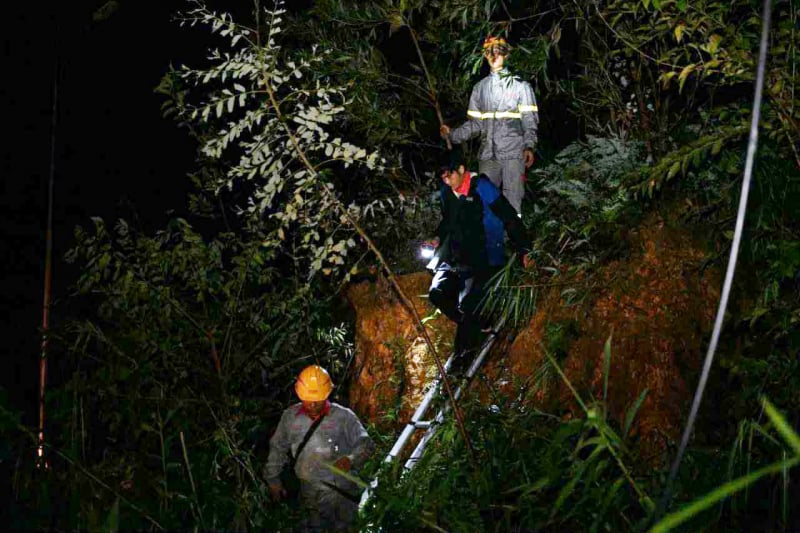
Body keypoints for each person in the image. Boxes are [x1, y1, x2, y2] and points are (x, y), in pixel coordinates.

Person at [426, 150, 531, 372]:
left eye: (449, 176)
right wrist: (436, 237)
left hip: (484, 258)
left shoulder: (482, 187)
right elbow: (447, 222)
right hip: (455, 259)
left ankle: (458, 367)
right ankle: (475, 324)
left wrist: (524, 248)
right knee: (437, 293)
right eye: (443, 178)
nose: (446, 181)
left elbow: (508, 216)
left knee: (469, 304)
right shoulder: (448, 194)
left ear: (462, 170)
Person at [266, 365, 374, 532]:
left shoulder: (344, 417)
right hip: (309, 494)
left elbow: (366, 444)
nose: (314, 405)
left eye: (318, 400)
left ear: (328, 393)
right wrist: (273, 480)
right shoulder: (290, 417)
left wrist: (351, 460)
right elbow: (277, 448)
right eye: (309, 400)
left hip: (342, 495)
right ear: (299, 393)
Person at [440, 35, 539, 214]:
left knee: (512, 201)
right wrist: (452, 134)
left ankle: (514, 240)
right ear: (485, 56)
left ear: (506, 54)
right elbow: (475, 125)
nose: (494, 55)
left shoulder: (521, 86)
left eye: (498, 51)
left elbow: (529, 122)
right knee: (485, 201)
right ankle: (490, 240)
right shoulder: (480, 88)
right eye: (489, 52)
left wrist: (529, 146)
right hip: (487, 155)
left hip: (513, 154)